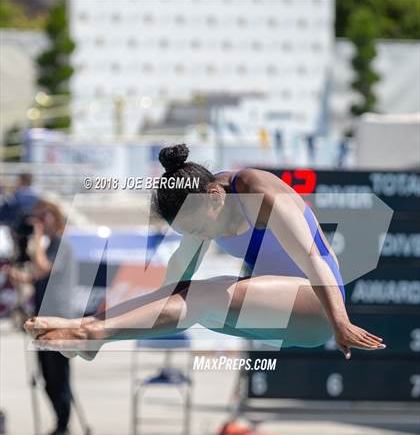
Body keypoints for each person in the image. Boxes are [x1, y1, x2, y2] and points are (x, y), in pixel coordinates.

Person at [24, 144, 385, 361]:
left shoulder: (260, 193)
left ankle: (93, 334)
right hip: (274, 312)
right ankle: (91, 333)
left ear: (215, 197)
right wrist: (105, 317)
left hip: (320, 305)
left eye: (196, 228)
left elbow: (315, 258)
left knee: (201, 295)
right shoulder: (204, 201)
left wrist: (340, 323)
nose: (196, 236)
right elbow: (174, 282)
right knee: (184, 296)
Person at [7, 200, 76, 435]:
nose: (40, 222)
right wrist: (19, 276)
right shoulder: (49, 246)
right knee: (47, 375)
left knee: (59, 374)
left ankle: (62, 427)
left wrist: (36, 238)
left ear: (55, 219)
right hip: (45, 319)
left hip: (59, 320)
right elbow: (37, 274)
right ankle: (59, 425)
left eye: (44, 217)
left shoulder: (61, 244)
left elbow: (45, 267)